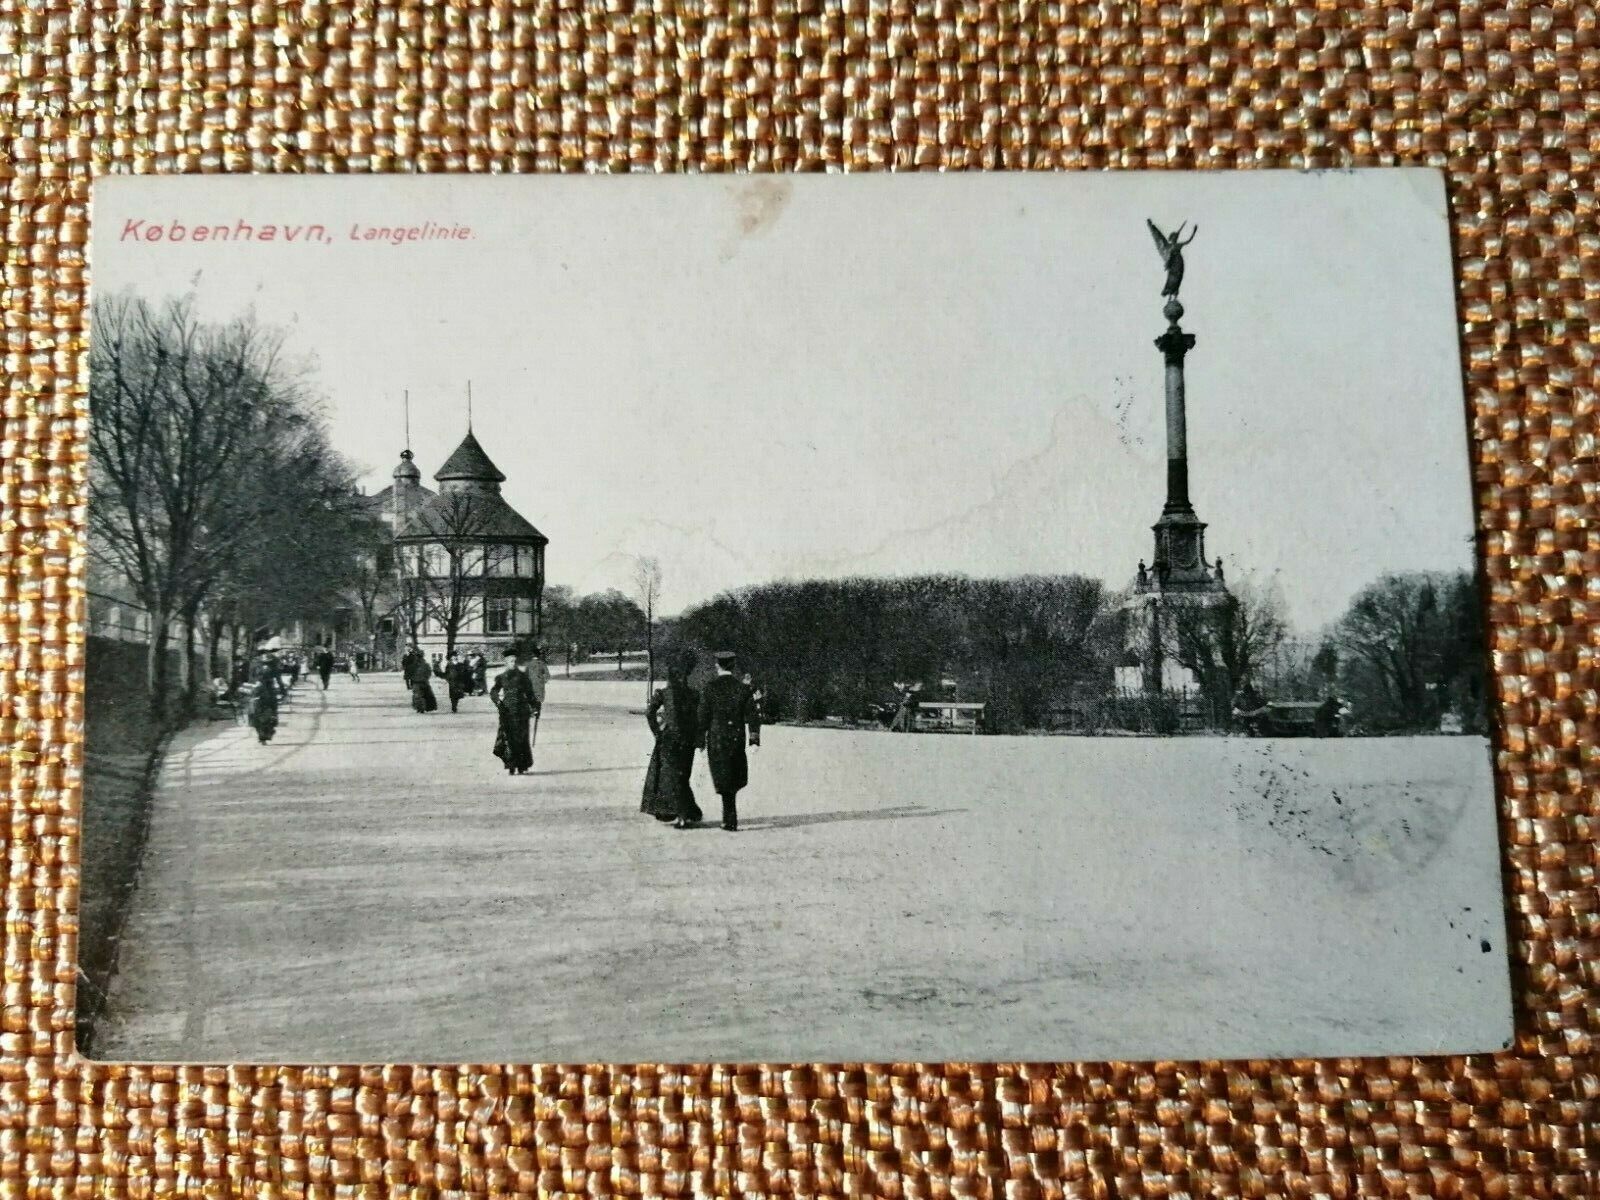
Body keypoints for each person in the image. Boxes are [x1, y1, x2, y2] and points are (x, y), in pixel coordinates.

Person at [698, 649, 761, 831]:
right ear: (733, 666)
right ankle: (729, 817)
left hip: (716, 739)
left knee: (722, 776)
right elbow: (753, 716)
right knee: (733, 776)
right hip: (735, 738)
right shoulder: (742, 689)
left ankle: (728, 817)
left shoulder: (709, 688)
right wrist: (754, 740)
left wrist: (700, 741)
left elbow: (702, 717)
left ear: (717, 666)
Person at [642, 649, 703, 828]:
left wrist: (657, 733)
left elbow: (649, 712)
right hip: (687, 741)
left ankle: (680, 813)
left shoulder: (663, 693)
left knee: (670, 777)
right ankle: (685, 812)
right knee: (683, 776)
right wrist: (698, 738)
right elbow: (699, 719)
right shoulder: (694, 695)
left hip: (668, 739)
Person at [490, 647, 538, 774]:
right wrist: (498, 702)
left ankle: (523, 766)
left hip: (522, 710)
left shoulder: (523, 677)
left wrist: (535, 707)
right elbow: (494, 691)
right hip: (507, 711)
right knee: (509, 738)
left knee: (522, 738)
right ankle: (511, 765)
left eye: (515, 661)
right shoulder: (501, 677)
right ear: (506, 662)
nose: (513, 663)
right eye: (510, 661)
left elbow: (530, 693)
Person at [246, 648, 281, 744]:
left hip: (270, 691)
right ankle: (260, 735)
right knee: (256, 714)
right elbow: (250, 677)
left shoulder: (273, 665)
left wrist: (282, 690)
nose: (265, 655)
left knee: (270, 714)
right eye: (263, 653)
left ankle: (266, 734)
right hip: (257, 690)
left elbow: (278, 678)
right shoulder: (255, 664)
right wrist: (255, 683)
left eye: (267, 653)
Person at [406, 648, 438, 713]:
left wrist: (425, 678)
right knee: (418, 696)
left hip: (422, 682)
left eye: (419, 656)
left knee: (423, 695)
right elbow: (408, 674)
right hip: (417, 682)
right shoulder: (414, 665)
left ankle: (422, 707)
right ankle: (420, 707)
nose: (418, 658)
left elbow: (428, 673)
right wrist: (409, 683)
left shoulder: (424, 665)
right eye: (418, 656)